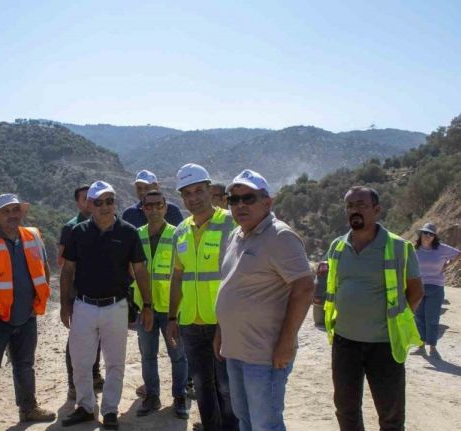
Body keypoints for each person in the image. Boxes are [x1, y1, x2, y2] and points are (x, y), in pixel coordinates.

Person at [216, 169, 315, 431]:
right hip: (236, 350)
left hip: (264, 354)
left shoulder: (280, 236)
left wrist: (286, 342)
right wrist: (221, 331)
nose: (240, 205)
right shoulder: (236, 235)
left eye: (248, 198)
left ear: (267, 202)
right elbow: (230, 288)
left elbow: (304, 287)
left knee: (265, 424)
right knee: (245, 420)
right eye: (233, 200)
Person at [324, 186, 424, 431]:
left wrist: (397, 319)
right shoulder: (337, 247)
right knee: (346, 409)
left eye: (361, 205)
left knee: (390, 413)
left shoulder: (399, 247)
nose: (354, 211)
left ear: (377, 210)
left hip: (385, 343)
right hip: (345, 342)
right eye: (349, 206)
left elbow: (416, 291)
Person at [60, 180, 155, 430]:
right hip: (84, 306)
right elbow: (68, 270)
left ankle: (110, 410)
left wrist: (148, 304)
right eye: (99, 202)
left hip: (117, 307)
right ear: (90, 205)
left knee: (115, 362)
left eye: (109, 201)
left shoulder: (128, 233)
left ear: (115, 203)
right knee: (81, 360)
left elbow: (141, 269)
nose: (105, 206)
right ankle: (85, 407)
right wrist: (64, 304)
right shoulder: (78, 233)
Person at [0, 194, 55, 431]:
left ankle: (28, 408)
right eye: (6, 211)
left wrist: (41, 296)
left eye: (15, 210)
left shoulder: (32, 236)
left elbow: (44, 267)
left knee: (25, 364)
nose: (12, 215)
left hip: (26, 315)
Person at [166, 163, 238, 431]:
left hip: (222, 323)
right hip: (190, 324)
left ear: (210, 190)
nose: (193, 198)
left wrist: (227, 322)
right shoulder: (181, 230)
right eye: (187, 193)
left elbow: (238, 277)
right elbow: (177, 276)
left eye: (198, 190)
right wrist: (173, 316)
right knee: (202, 386)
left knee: (227, 387)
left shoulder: (230, 223)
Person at [133, 190, 189, 419]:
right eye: (149, 206)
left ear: (166, 207)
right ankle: (152, 396)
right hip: (145, 308)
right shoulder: (136, 235)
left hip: (171, 308)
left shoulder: (178, 235)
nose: (154, 209)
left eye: (158, 205)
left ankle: (180, 397)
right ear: (143, 209)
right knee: (148, 355)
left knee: (178, 355)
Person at [58, 185, 104, 400]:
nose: (90, 202)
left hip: (99, 293)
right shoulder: (71, 227)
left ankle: (94, 375)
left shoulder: (103, 224)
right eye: (85, 199)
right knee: (77, 341)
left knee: (98, 336)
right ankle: (73, 384)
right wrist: (65, 301)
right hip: (78, 294)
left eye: (93, 198)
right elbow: (63, 264)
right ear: (78, 202)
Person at [414, 222, 461, 357]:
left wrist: (447, 265)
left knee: (432, 318)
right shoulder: (413, 249)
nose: (427, 236)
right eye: (425, 233)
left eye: (431, 234)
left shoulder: (441, 248)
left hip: (436, 287)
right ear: (421, 234)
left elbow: (458, 254)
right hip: (418, 287)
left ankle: (433, 348)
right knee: (419, 317)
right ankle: (420, 346)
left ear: (434, 237)